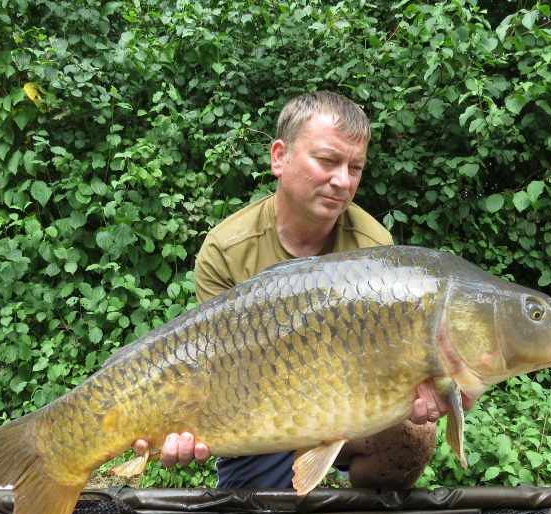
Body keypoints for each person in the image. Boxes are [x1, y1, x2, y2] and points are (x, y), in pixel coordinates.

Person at [133, 91, 458, 489]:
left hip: (346, 408)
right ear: (279, 157)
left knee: (413, 433)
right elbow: (213, 376)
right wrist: (180, 424)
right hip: (256, 418)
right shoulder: (226, 249)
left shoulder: (374, 247)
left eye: (355, 167)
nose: (342, 180)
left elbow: (390, 366)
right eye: (327, 161)